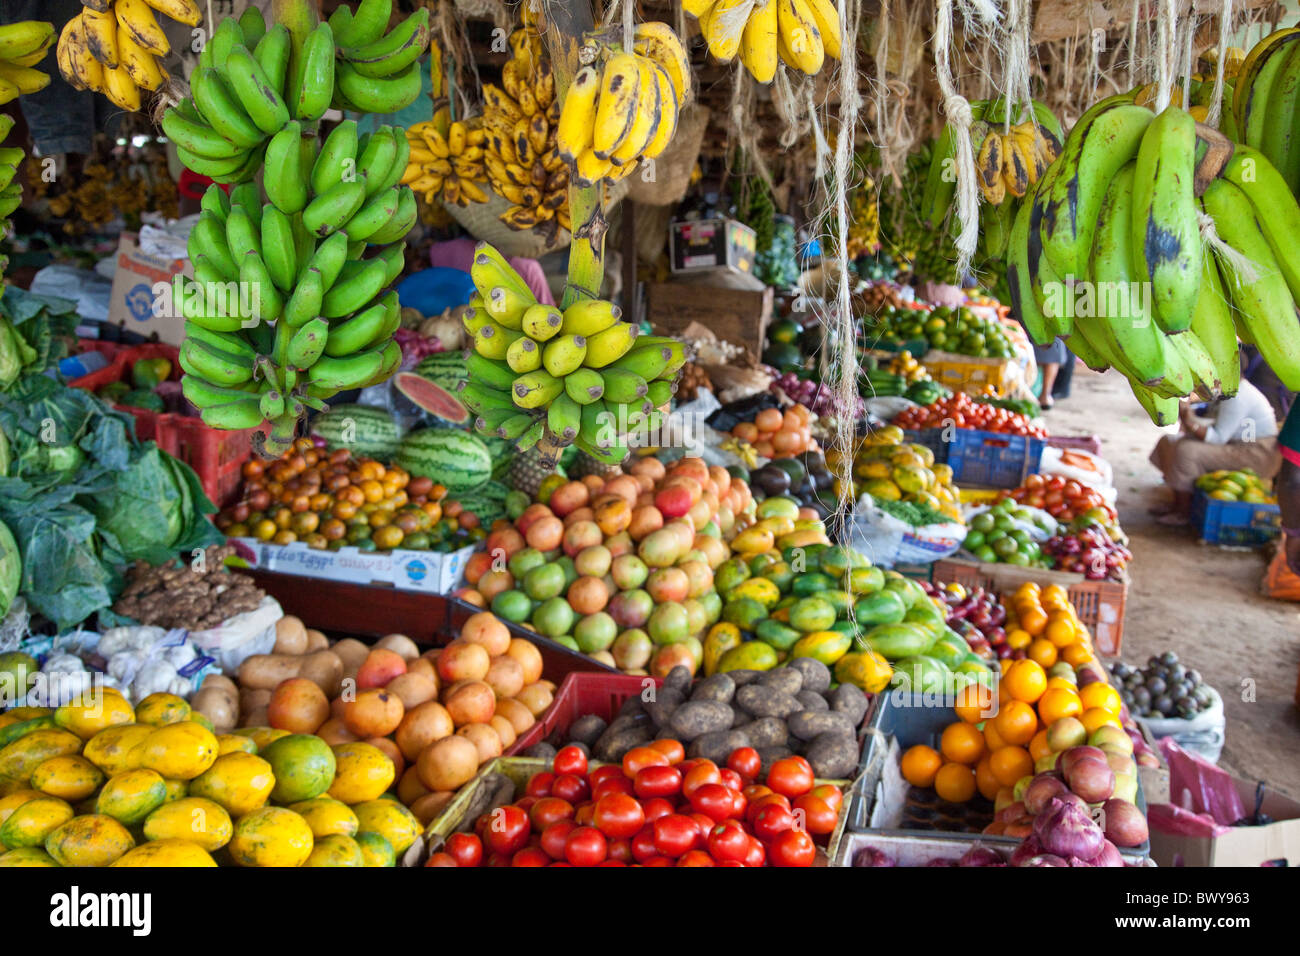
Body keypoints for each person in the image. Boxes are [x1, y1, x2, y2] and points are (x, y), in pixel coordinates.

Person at [1148, 378, 1281, 525]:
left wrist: (1191, 423)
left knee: (1187, 451)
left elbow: (1218, 438)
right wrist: (1187, 414)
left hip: (1255, 454)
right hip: (1236, 444)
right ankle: (1176, 503)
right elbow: (1217, 425)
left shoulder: (1238, 396)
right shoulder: (1227, 390)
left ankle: (1183, 511)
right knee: (1169, 441)